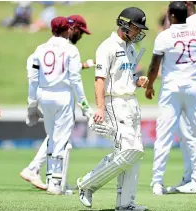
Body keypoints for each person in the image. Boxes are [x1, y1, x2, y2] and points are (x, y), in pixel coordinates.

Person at [146, 1, 196, 195]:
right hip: (193, 88)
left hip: (171, 90)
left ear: (172, 16)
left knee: (164, 137)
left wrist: (149, 86)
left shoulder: (164, 36)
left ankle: (157, 183)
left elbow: (153, 66)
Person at [77, 7, 149, 211]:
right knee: (129, 151)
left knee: (136, 154)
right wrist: (100, 108)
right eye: (136, 28)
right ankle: (86, 184)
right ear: (124, 25)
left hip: (132, 104)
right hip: (115, 104)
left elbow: (127, 78)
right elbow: (100, 80)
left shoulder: (131, 48)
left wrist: (138, 81)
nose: (138, 32)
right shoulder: (107, 47)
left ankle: (126, 204)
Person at [20, 14, 93, 191]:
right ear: (68, 29)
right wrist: (85, 106)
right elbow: (75, 79)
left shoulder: (40, 48)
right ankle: (55, 183)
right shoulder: (71, 50)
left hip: (44, 95)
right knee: (61, 141)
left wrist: (32, 103)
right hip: (63, 96)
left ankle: (50, 178)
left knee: (53, 138)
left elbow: (33, 76)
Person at [158, 1, 196, 195]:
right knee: (185, 136)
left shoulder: (194, 23)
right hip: (185, 84)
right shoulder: (195, 21)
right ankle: (190, 177)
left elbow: (165, 39)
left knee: (190, 135)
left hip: (186, 84)